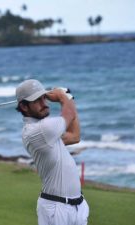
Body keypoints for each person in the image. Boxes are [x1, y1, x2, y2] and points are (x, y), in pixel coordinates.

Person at [15, 79, 89, 225]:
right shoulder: (40, 130)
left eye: (44, 97)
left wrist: (67, 97)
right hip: (56, 208)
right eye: (37, 100)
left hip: (77, 206)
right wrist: (63, 96)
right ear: (24, 106)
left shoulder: (47, 131)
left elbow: (75, 136)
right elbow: (69, 113)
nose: (44, 103)